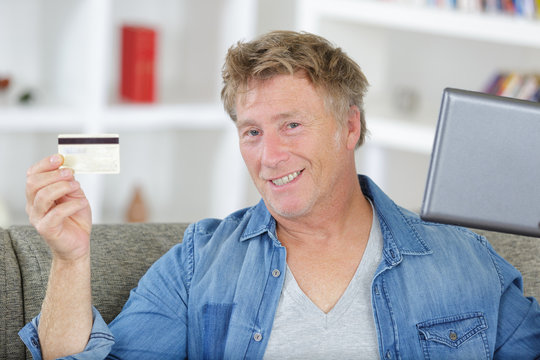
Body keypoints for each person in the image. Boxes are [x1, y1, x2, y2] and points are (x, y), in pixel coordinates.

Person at [20, 30, 540, 359]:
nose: (268, 156)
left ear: (350, 126)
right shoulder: (199, 263)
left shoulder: (465, 261)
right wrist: (70, 259)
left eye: (291, 125)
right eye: (251, 132)